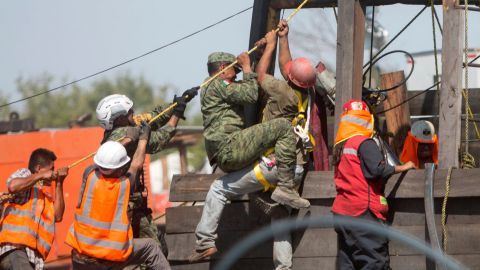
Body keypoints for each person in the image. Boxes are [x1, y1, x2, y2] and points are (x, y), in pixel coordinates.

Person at [201, 47, 309, 211]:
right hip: (231, 146)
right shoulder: (217, 83)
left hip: (229, 149)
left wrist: (258, 56)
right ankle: (285, 188)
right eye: (234, 69)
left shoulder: (212, 85)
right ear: (222, 68)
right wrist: (246, 66)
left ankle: (266, 194)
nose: (237, 74)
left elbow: (251, 83)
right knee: (283, 127)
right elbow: (251, 94)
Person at [95, 89, 197, 255]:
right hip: (128, 207)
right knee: (155, 251)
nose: (133, 114)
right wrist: (177, 113)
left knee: (150, 251)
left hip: (132, 204)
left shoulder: (122, 128)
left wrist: (175, 104)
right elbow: (159, 139)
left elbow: (152, 118)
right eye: (129, 112)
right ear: (120, 118)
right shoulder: (123, 135)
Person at [65, 123, 170, 270]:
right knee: (151, 247)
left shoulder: (88, 174)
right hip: (106, 258)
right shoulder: (124, 185)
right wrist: (143, 138)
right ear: (120, 168)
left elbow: (105, 160)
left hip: (80, 256)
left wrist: (125, 140)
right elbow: (137, 165)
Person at [331, 100, 416, 269]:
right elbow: (376, 170)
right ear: (366, 119)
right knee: (375, 262)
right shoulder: (364, 143)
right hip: (363, 213)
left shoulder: (341, 146)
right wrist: (403, 166)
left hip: (342, 214)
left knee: (348, 262)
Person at [0, 148, 69, 270]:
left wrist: (59, 183)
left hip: (33, 258)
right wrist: (41, 176)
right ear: (38, 168)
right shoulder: (25, 175)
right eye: (51, 169)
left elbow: (58, 216)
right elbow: (13, 186)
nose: (54, 172)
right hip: (15, 250)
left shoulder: (45, 195)